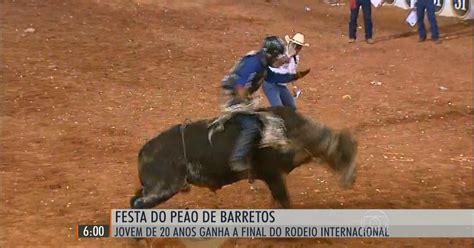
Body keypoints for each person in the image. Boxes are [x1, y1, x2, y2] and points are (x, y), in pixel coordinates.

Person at [221, 36, 310, 173]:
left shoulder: (262, 65)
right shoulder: (254, 63)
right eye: (277, 56)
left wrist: (295, 76)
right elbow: (240, 87)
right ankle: (237, 159)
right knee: (251, 125)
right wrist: (245, 103)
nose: (279, 59)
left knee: (262, 121)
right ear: (271, 54)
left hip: (242, 98)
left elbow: (274, 77)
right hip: (234, 99)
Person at [263, 32, 310, 110]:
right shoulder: (281, 52)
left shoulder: (296, 59)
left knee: (291, 107)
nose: (297, 49)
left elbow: (291, 72)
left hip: (281, 85)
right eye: (295, 45)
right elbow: (275, 64)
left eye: (299, 47)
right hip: (270, 84)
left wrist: (293, 86)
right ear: (290, 44)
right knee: (279, 110)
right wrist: (288, 56)